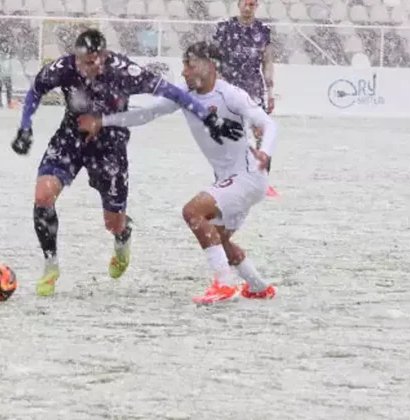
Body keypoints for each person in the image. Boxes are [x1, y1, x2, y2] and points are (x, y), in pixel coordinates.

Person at [10, 29, 245, 297]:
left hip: (110, 147)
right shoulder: (62, 68)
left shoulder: (124, 70)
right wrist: (25, 126)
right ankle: (51, 266)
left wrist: (209, 118)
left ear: (106, 55)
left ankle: (123, 234)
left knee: (113, 222)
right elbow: (35, 91)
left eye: (99, 59)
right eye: (89, 62)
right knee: (43, 196)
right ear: (77, 58)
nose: (95, 66)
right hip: (71, 137)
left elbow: (174, 94)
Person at [78, 42, 277, 304]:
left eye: (189, 65)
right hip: (231, 181)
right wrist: (104, 121)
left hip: (248, 177)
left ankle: (223, 285)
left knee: (192, 212)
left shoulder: (230, 94)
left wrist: (266, 151)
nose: (183, 72)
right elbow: (147, 114)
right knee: (220, 238)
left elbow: (269, 123)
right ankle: (259, 286)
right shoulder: (183, 93)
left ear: (209, 66)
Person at [212, 0, 274, 115]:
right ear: (238, 5)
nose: (247, 8)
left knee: (255, 128)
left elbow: (267, 63)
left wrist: (270, 93)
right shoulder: (225, 27)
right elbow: (213, 57)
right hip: (228, 87)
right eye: (244, 4)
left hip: (253, 89)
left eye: (251, 4)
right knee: (227, 128)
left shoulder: (263, 31)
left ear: (256, 6)